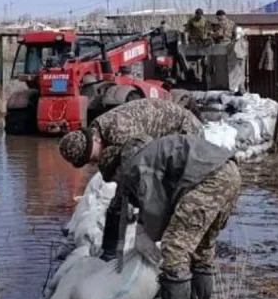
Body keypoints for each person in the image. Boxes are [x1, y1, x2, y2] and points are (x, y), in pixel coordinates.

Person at [112, 134, 242, 299]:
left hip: (210, 179)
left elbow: (156, 208)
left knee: (174, 246)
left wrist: (145, 232)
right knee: (202, 246)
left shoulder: (137, 164)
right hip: (230, 173)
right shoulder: (154, 152)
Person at [57, 98, 203, 263]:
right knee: (121, 199)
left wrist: (141, 228)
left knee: (176, 197)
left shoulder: (119, 130)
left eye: (92, 157)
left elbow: (147, 173)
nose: (93, 162)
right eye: (87, 161)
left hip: (183, 132)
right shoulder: (100, 132)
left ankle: (182, 256)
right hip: (158, 140)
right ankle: (108, 253)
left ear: (95, 140)